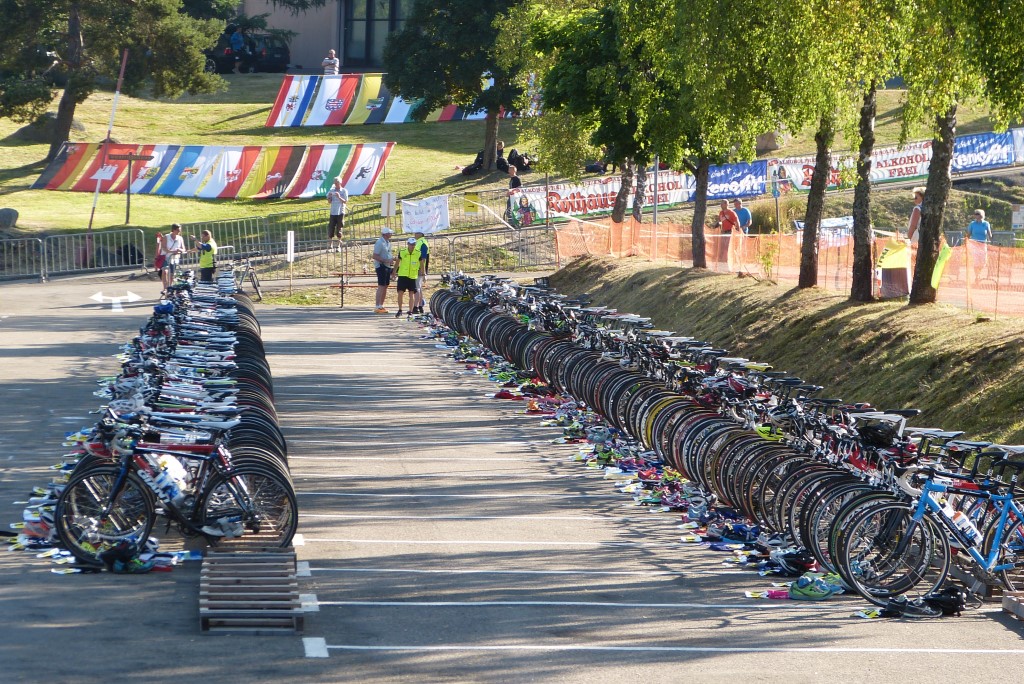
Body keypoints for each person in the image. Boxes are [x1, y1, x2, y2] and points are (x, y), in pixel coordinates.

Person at [393, 237, 424, 318]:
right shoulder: (402, 252)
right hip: (403, 275)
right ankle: (400, 309)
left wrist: (423, 273)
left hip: (412, 276)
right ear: (408, 244)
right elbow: (397, 263)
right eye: (410, 244)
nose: (412, 246)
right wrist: (394, 272)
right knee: (400, 293)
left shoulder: (418, 253)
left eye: (413, 245)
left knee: (411, 294)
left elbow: (421, 264)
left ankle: (410, 311)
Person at [966, 208, 992, 282]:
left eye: (978, 214)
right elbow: (969, 234)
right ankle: (977, 276)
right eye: (976, 214)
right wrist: (966, 241)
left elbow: (989, 234)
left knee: (983, 261)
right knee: (976, 261)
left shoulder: (986, 224)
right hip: (974, 244)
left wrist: (991, 239)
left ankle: (979, 273)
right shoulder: (972, 224)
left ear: (982, 215)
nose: (976, 216)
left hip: (983, 244)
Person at [372, 227, 394, 314]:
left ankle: (381, 305)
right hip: (381, 266)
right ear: (385, 234)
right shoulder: (379, 243)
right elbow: (375, 255)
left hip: (387, 266)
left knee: (385, 286)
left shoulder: (387, 242)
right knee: (381, 285)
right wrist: (385, 260)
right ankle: (377, 305)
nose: (391, 234)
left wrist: (391, 259)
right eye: (389, 233)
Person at [715, 200, 740, 271]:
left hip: (730, 232)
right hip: (723, 232)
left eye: (722, 204)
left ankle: (731, 262)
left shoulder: (731, 213)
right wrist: (718, 224)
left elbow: (736, 221)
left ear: (726, 204)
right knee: (723, 247)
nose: (720, 205)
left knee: (727, 247)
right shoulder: (721, 213)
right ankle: (723, 262)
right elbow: (720, 221)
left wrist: (737, 230)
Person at [326, 177, 348, 250]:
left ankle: (338, 245)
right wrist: (329, 197)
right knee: (331, 228)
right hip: (333, 212)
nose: (336, 184)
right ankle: (330, 245)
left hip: (340, 212)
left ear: (340, 183)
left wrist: (339, 196)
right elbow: (329, 202)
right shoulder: (332, 190)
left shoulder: (344, 191)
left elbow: (345, 201)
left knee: (339, 228)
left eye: (337, 183)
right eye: (335, 183)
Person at [161, 224, 186, 288]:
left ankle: (170, 287)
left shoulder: (180, 238)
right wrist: (171, 251)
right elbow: (163, 247)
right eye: (178, 230)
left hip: (174, 258)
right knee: (165, 272)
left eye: (180, 230)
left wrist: (179, 250)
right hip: (166, 257)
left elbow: (183, 249)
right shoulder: (167, 236)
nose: (179, 232)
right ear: (173, 230)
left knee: (172, 274)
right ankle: (165, 287)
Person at [730, 198, 751, 273]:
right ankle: (736, 262)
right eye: (734, 204)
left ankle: (744, 262)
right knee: (735, 247)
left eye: (736, 204)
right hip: (736, 232)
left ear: (740, 203)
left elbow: (750, 222)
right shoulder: (734, 211)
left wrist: (744, 227)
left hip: (744, 232)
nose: (735, 205)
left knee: (743, 247)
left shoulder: (745, 210)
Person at [412, 230, 429, 314]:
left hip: (418, 269)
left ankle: (416, 307)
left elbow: (423, 258)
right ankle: (420, 306)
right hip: (417, 268)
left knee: (417, 288)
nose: (414, 234)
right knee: (419, 288)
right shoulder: (419, 242)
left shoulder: (422, 242)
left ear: (421, 234)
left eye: (416, 233)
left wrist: (423, 271)